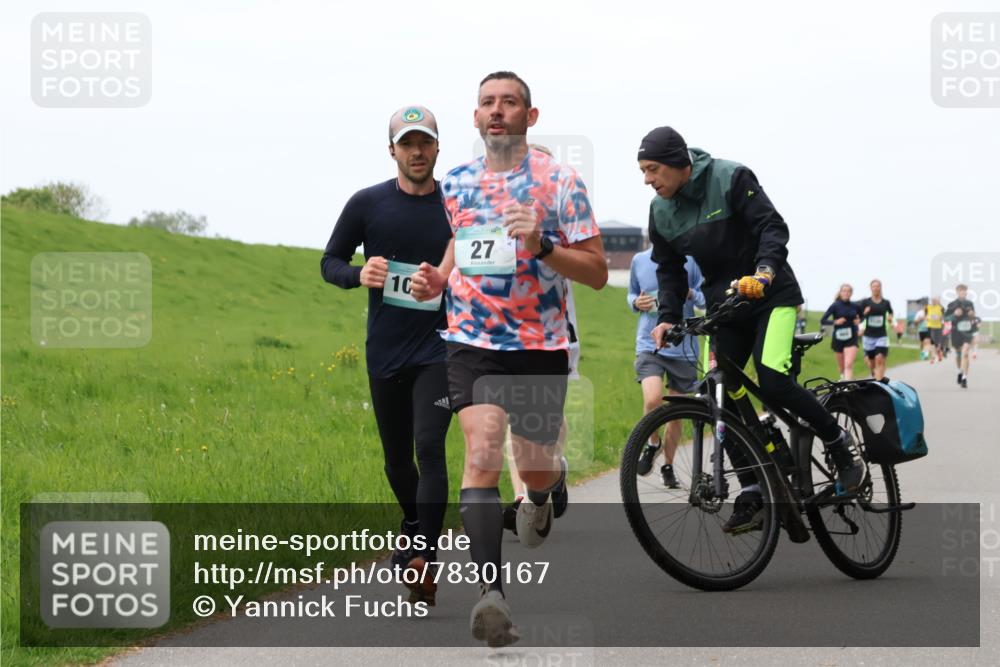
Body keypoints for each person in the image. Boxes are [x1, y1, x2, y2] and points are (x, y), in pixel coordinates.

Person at [410, 71, 607, 647]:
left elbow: (595, 272)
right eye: (487, 103)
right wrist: (439, 278)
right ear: (475, 118)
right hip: (471, 342)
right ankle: (492, 597)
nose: (497, 111)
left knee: (536, 464)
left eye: (509, 103)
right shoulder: (457, 183)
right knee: (482, 453)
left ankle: (543, 492)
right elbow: (459, 237)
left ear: (530, 116)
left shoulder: (560, 181)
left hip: (539, 346)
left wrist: (543, 244)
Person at [638, 126, 865, 536]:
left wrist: (763, 272)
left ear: (678, 163)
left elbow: (772, 228)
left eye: (653, 169)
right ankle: (754, 489)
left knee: (774, 380)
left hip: (771, 296)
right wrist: (668, 318)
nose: (648, 179)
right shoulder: (661, 211)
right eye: (643, 171)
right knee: (717, 393)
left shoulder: (730, 177)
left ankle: (838, 445)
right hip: (725, 306)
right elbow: (668, 270)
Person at [320, 106, 451, 605]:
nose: (416, 152)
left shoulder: (455, 205)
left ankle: (424, 557)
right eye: (407, 143)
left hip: (440, 348)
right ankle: (414, 522)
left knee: (429, 446)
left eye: (425, 143)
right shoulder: (367, 204)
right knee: (397, 463)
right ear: (392, 149)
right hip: (386, 351)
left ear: (438, 148)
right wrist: (359, 274)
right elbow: (329, 261)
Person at [629, 249, 704, 487]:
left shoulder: (691, 260)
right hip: (649, 343)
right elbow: (631, 293)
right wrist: (635, 302)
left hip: (683, 346)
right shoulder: (639, 260)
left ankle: (668, 466)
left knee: (677, 411)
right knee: (652, 399)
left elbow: (706, 297)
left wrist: (689, 293)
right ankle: (653, 444)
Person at [820, 284, 863, 380]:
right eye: (844, 291)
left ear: (851, 293)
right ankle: (843, 380)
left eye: (848, 291)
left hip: (852, 336)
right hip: (838, 338)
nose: (846, 293)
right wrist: (835, 321)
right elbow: (823, 320)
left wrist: (859, 321)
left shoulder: (855, 306)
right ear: (840, 292)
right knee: (842, 367)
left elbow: (862, 317)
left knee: (848, 364)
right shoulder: (835, 305)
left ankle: (847, 385)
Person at [858, 279, 894, 381]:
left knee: (879, 358)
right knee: (871, 362)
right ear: (871, 288)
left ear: (880, 288)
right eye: (874, 286)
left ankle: (879, 382)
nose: (876, 288)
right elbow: (859, 317)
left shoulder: (886, 303)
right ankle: (874, 372)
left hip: (881, 335)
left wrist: (890, 318)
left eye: (878, 286)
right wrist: (864, 313)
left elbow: (891, 313)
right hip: (868, 336)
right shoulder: (866, 302)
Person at [945, 284, 977, 389]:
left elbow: (973, 317)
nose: (963, 292)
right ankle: (959, 371)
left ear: (966, 292)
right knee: (958, 354)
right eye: (961, 291)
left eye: (965, 291)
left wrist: (972, 315)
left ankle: (964, 378)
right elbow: (946, 319)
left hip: (967, 332)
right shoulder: (952, 304)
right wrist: (954, 315)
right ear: (957, 292)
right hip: (956, 332)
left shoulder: (970, 303)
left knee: (965, 353)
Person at [925, 297, 945, 363]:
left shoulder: (940, 308)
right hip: (930, 326)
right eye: (932, 300)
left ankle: (939, 353)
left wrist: (939, 317)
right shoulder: (928, 307)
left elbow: (943, 317)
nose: (933, 301)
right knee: (932, 342)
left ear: (937, 301)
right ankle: (933, 357)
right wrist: (927, 317)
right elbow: (926, 315)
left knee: (937, 342)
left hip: (938, 327)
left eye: (935, 300)